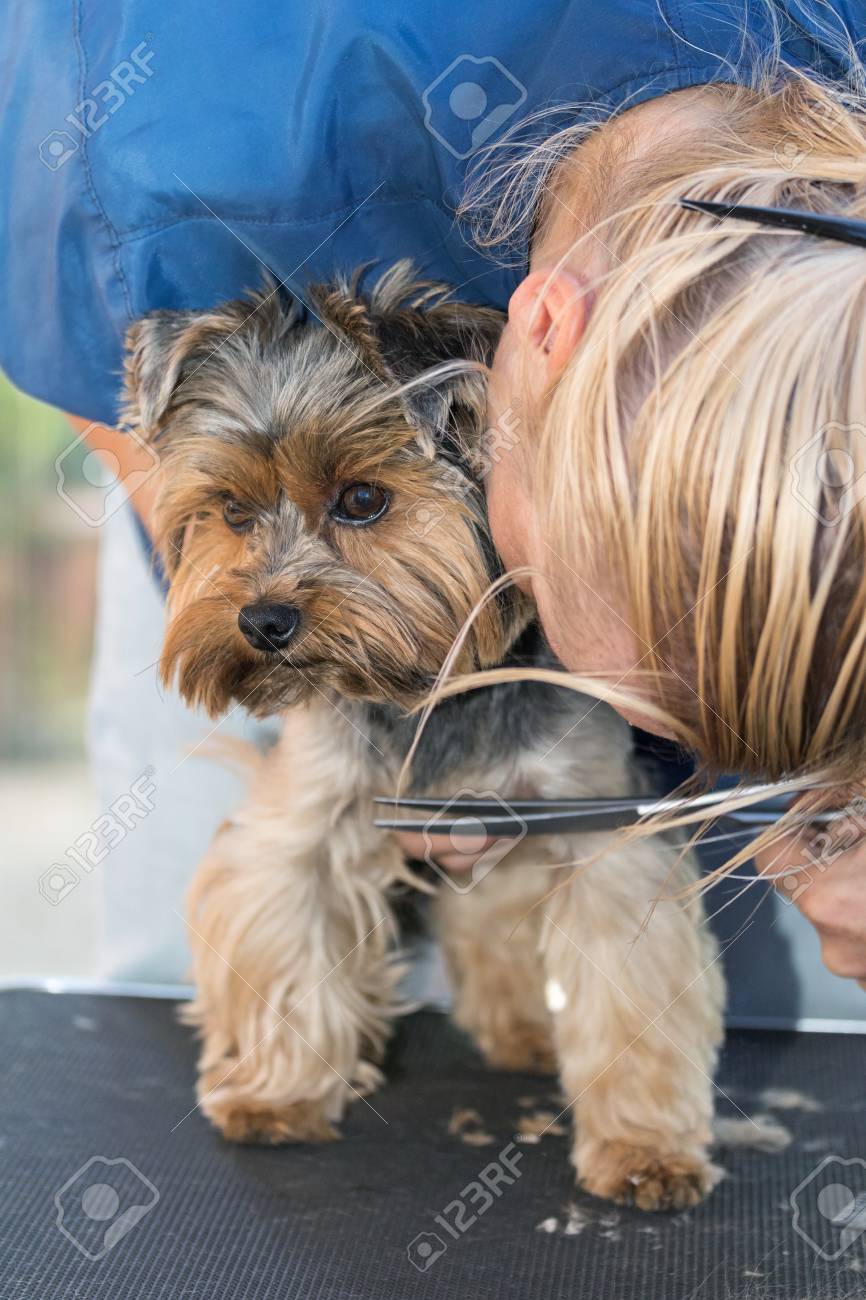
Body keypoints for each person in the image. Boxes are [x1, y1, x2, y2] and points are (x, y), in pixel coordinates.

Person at [2, 1, 864, 994]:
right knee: (186, 981)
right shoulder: (184, 133)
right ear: (536, 331)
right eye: (544, 582)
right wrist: (312, 678)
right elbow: (95, 366)